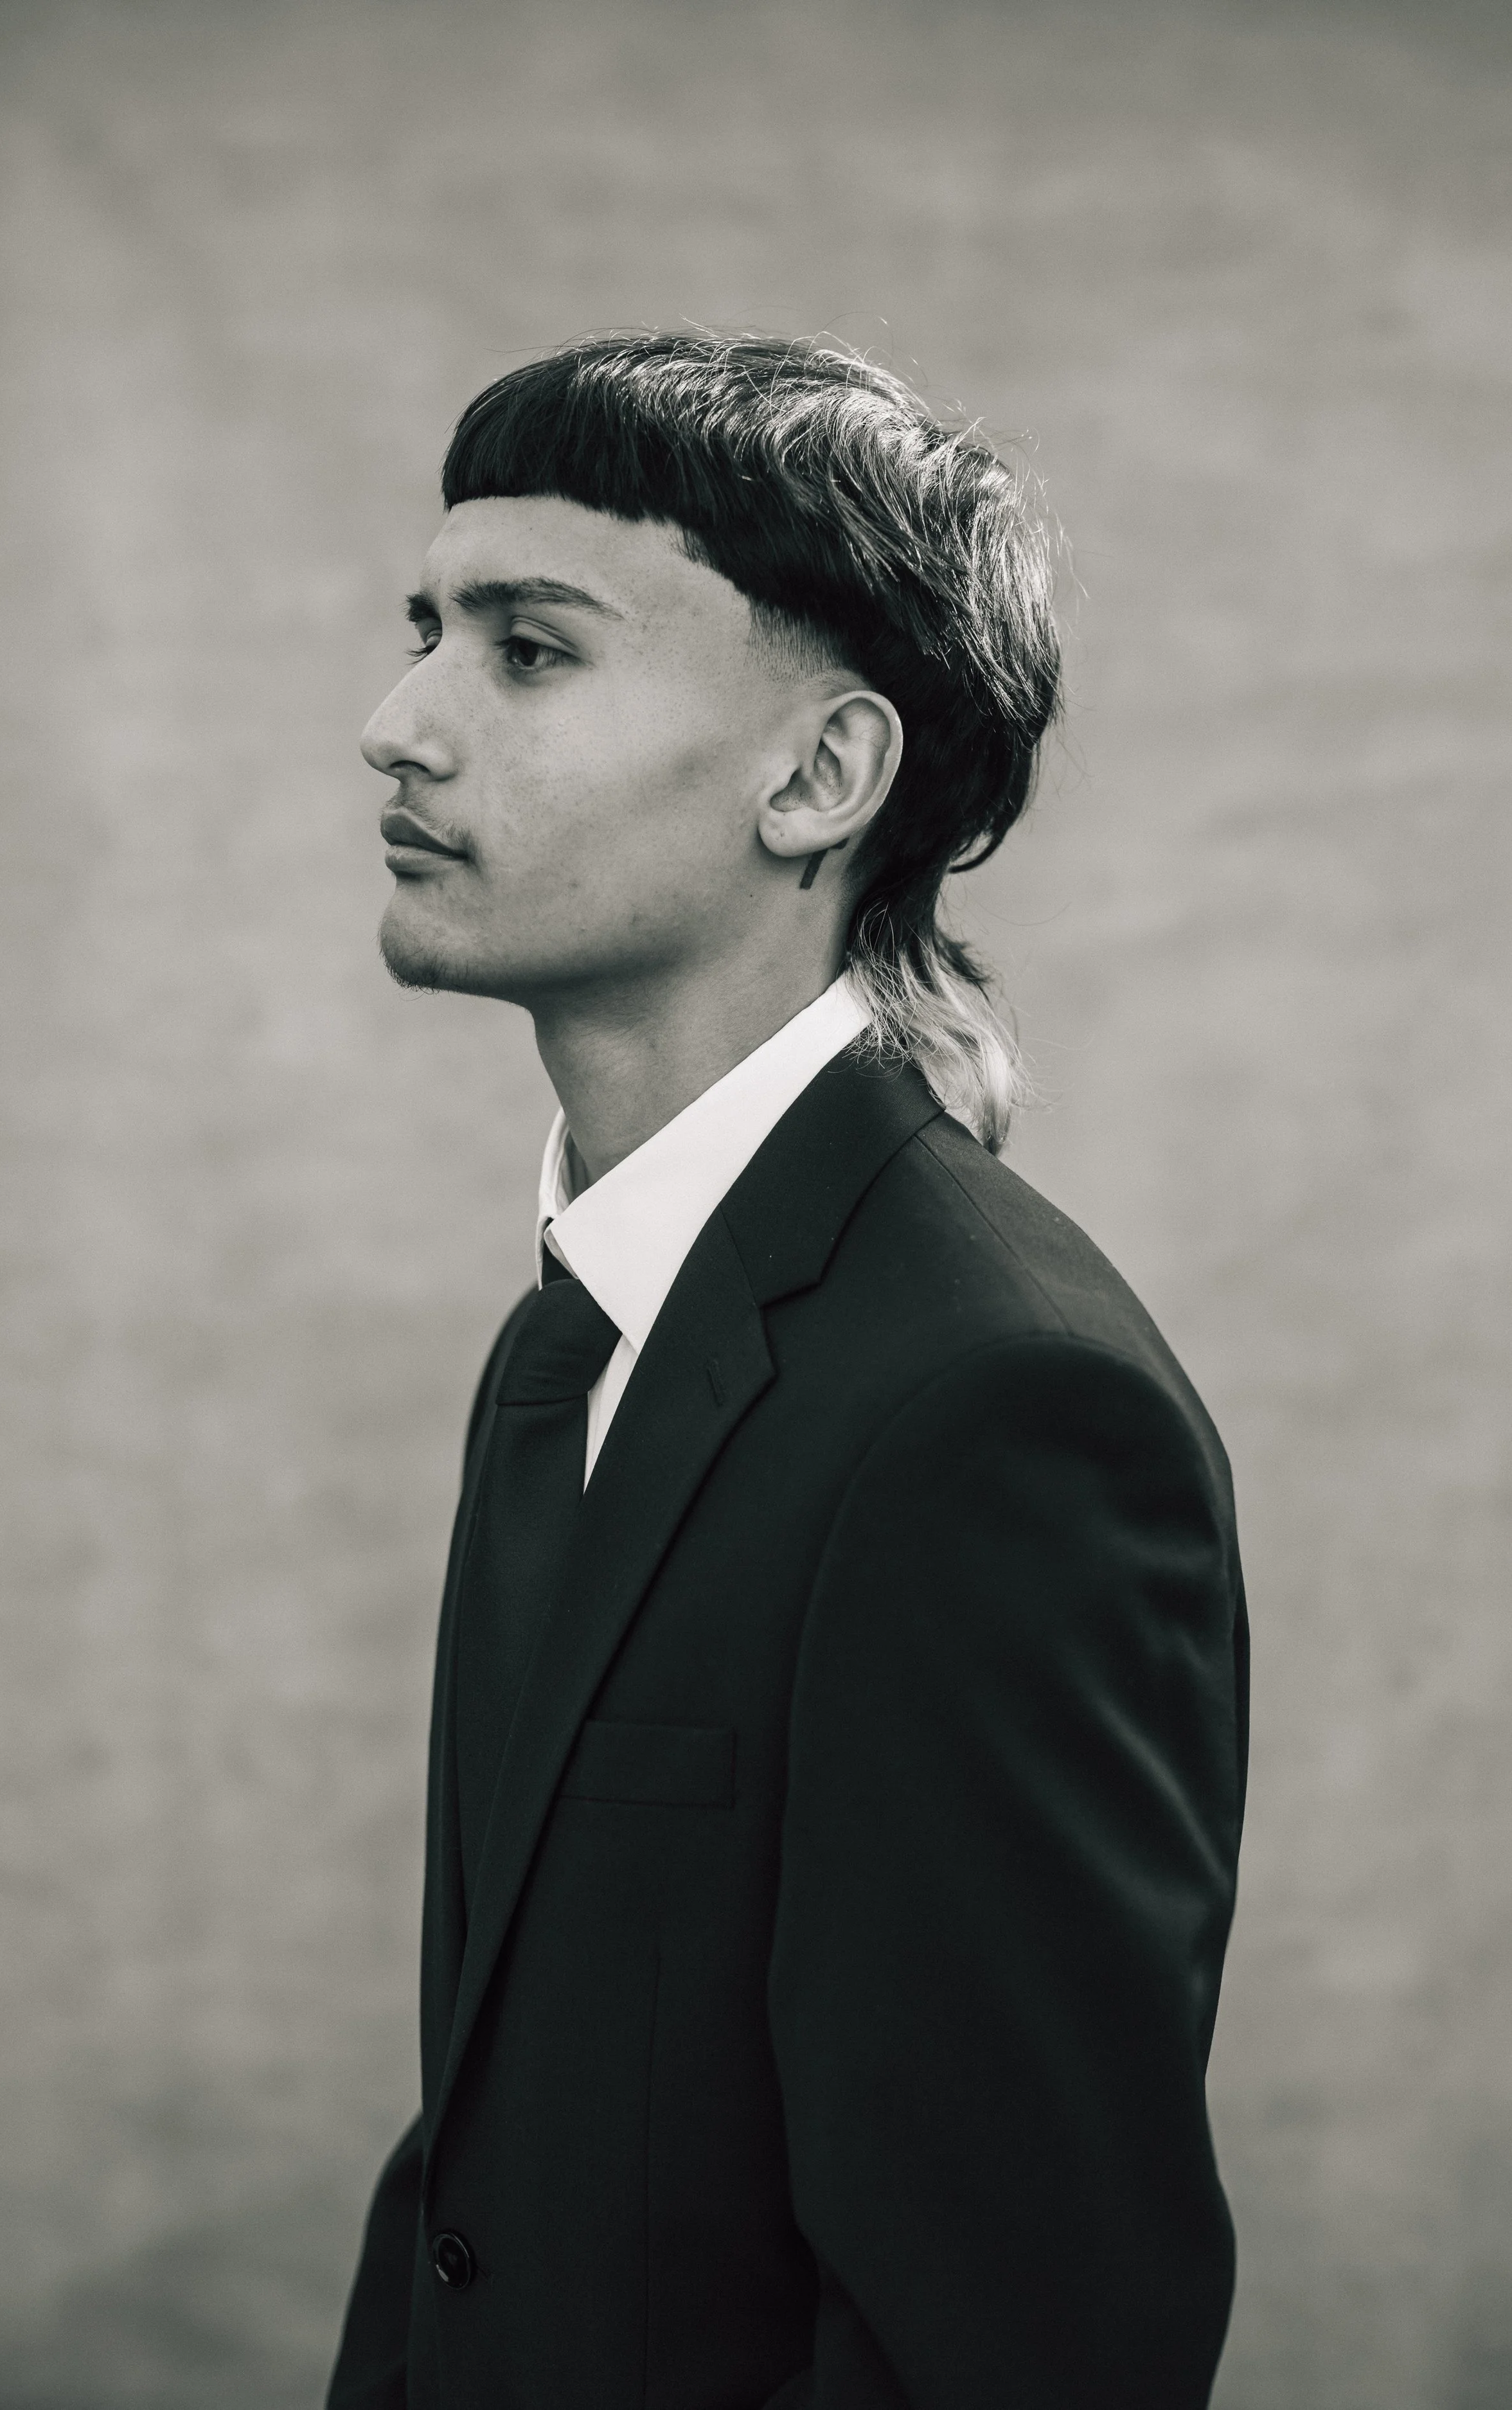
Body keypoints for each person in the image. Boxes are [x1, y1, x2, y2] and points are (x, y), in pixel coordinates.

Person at [326, 331, 1247, 2410]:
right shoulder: (575, 1339)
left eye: (528, 650)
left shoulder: (993, 1417)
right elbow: (497, 2181)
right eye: (424, 632)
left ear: (820, 777)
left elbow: (1021, 2345)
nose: (396, 724)